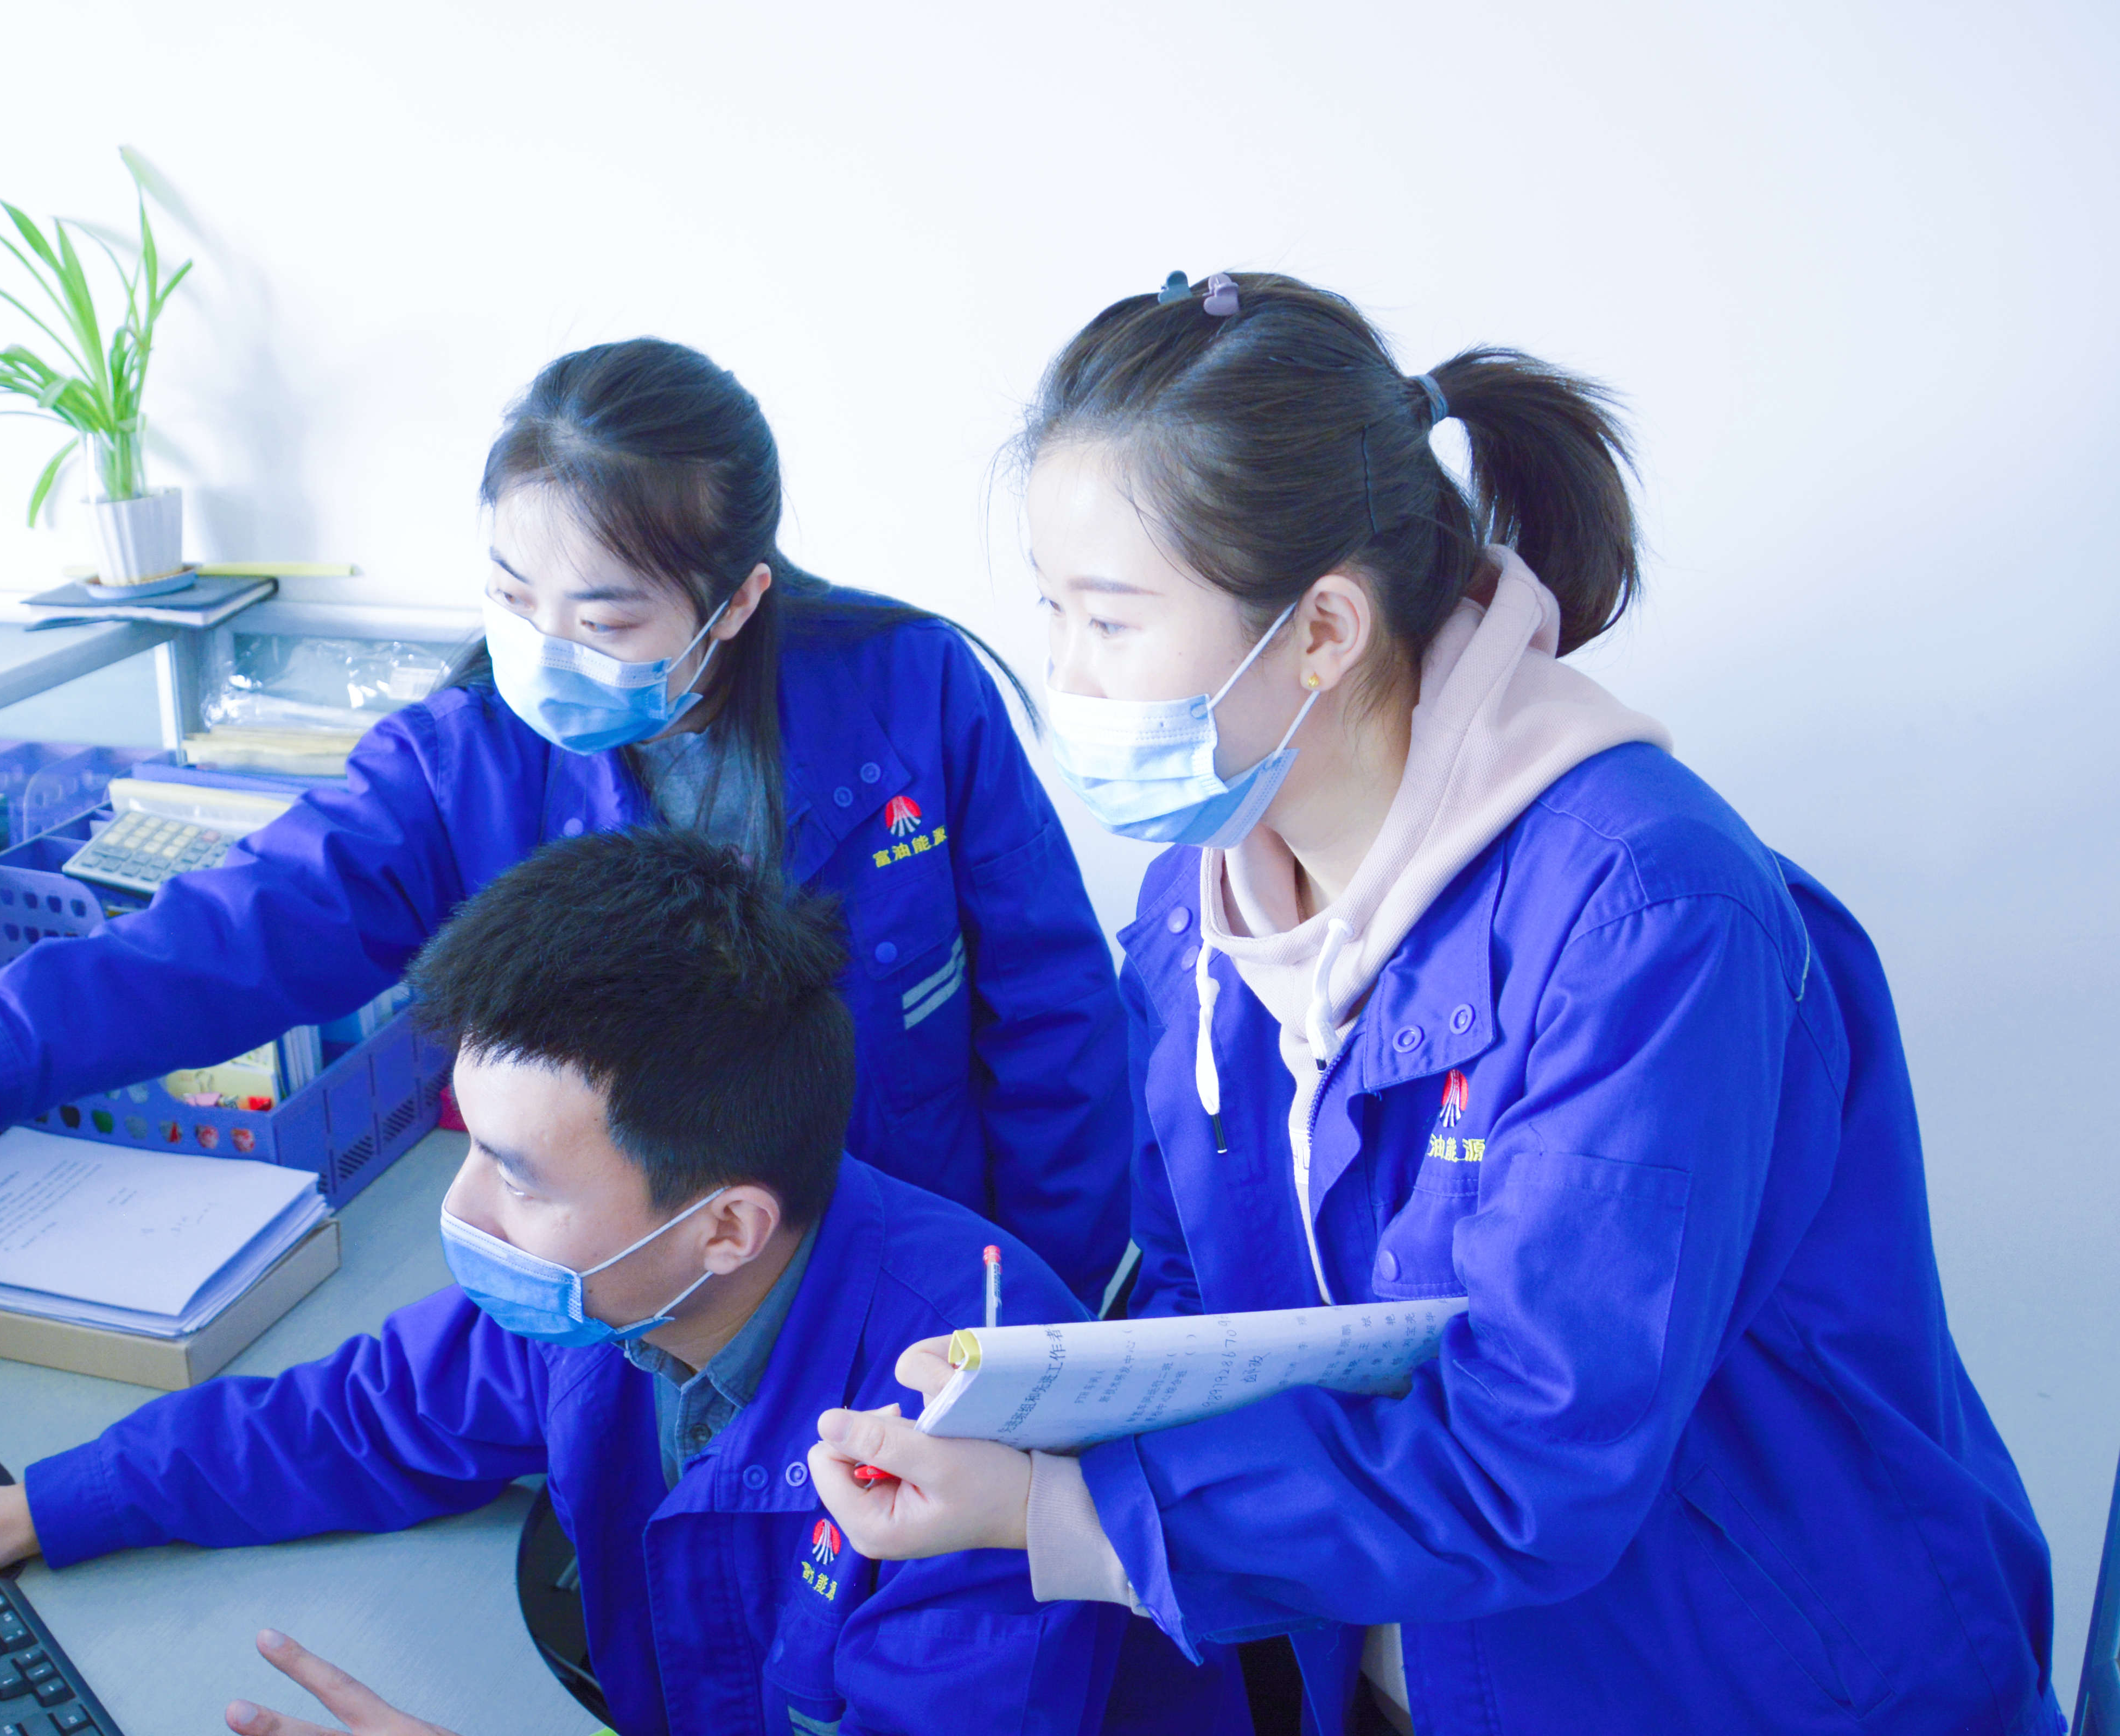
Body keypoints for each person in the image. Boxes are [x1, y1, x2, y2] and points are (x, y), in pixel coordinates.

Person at [798, 271, 2061, 1736]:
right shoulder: (1198, 906)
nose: (1064, 677)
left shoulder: (1649, 915)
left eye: (1111, 621)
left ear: (1322, 630)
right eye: (1052, 611)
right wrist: (1033, 1419)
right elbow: (1205, 1309)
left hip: (1754, 1683)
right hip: (1412, 1673)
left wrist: (1061, 1514)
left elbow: (1534, 1462)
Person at [0, 338, 1131, 1307]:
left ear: (734, 601)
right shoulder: (464, 758)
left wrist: (1038, 1316)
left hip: (907, 1276)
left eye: (606, 616)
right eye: (512, 595)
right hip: (636, 1293)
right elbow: (224, 937)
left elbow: (1055, 1016)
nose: (548, 648)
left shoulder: (909, 694)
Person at [0, 829, 1231, 1736]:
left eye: (518, 1172)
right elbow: (355, 1420)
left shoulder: (979, 1423)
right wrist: (30, 1509)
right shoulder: (614, 1295)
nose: (463, 1210)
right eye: (472, 1143)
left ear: (723, 1227)